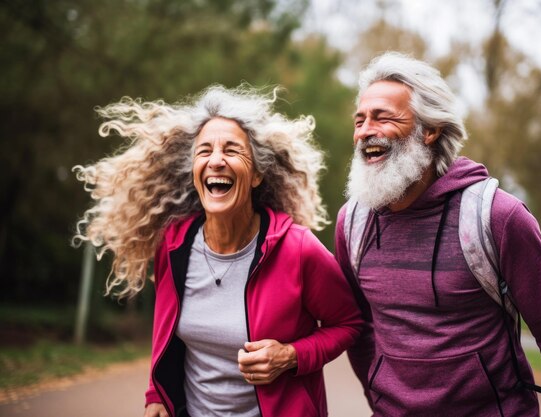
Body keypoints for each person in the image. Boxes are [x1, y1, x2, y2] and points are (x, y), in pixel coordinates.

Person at [74, 85, 363, 417]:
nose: (216, 161)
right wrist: (156, 393)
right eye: (204, 151)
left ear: (256, 174)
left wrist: (291, 355)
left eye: (231, 150)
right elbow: (165, 327)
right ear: (194, 172)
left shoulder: (297, 249)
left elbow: (348, 322)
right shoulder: (174, 244)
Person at [334, 51, 541, 417]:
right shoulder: (352, 223)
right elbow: (358, 326)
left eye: (383, 117)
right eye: (360, 120)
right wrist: (380, 400)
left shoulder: (498, 217)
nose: (365, 131)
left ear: (430, 129)